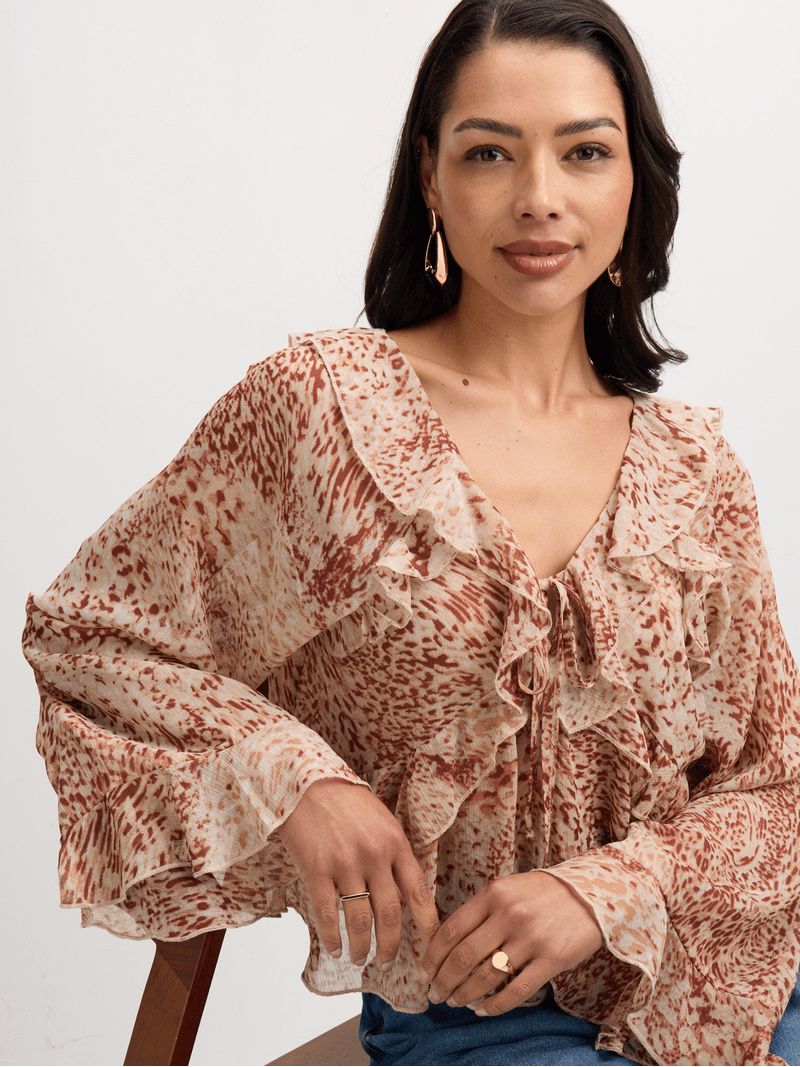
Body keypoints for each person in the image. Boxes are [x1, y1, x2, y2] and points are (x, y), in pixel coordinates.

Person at [22, 0, 800, 1064]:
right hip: (482, 1019)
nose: (538, 196)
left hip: (733, 976)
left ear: (635, 182)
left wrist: (612, 887)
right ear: (430, 177)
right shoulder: (325, 414)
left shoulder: (696, 472)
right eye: (489, 152)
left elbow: (778, 782)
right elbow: (93, 639)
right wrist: (292, 774)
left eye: (584, 152)